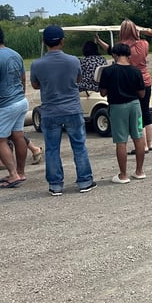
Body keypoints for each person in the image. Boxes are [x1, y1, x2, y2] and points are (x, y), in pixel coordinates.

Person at [30, 25, 96, 195]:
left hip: (50, 110)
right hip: (72, 108)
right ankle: (85, 181)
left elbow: (35, 85)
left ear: (44, 41)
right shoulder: (73, 60)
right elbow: (78, 79)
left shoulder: (37, 64)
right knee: (79, 146)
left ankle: (55, 185)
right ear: (62, 41)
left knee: (52, 149)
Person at [96, 19, 152, 153]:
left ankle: (142, 145)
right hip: (145, 79)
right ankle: (149, 143)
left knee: (137, 116)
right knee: (145, 111)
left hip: (129, 81)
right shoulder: (144, 44)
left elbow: (111, 50)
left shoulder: (121, 47)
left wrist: (99, 41)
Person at [99, 43, 146, 183]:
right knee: (138, 137)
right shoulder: (136, 71)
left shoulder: (108, 71)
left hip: (117, 107)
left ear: (114, 54)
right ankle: (139, 171)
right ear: (129, 55)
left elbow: (103, 92)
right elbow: (142, 93)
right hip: (135, 106)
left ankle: (123, 175)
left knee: (121, 140)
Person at [0, 24, 29, 188]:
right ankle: (20, 172)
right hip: (20, 100)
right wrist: (22, 94)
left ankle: (13, 175)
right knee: (18, 136)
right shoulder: (15, 54)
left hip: (4, 104)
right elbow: (23, 78)